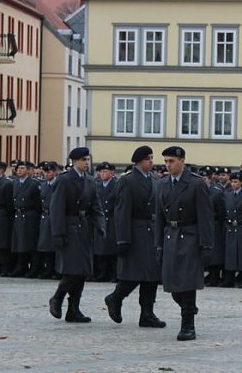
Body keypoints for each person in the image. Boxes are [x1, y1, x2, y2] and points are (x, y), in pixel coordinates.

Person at [154, 146, 214, 341]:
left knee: (187, 283)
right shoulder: (162, 184)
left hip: (189, 236)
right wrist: (158, 245)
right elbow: (159, 217)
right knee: (173, 285)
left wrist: (206, 245)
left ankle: (188, 325)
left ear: (182, 161)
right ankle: (189, 309)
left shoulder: (196, 184)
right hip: (170, 235)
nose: (168, 165)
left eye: (171, 161)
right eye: (166, 161)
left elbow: (206, 217)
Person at [104, 146, 165, 328]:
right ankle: (115, 298)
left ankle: (147, 313)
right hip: (135, 231)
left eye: (152, 158)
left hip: (151, 230)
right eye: (147, 159)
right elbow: (122, 211)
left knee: (151, 275)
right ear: (138, 161)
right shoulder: (128, 181)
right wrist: (123, 239)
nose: (151, 162)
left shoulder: (154, 179)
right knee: (133, 274)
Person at [48, 147, 105, 322]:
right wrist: (58, 233)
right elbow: (57, 208)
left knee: (83, 270)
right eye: (83, 160)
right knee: (73, 269)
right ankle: (57, 297)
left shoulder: (90, 180)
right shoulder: (64, 180)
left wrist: (100, 225)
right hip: (69, 228)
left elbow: (96, 206)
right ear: (74, 161)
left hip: (84, 228)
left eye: (88, 159)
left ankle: (73, 309)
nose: (86, 163)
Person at [10, 160, 42, 277]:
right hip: (18, 215)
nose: (19, 170)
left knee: (31, 242)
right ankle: (21, 266)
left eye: (22, 168)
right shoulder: (15, 183)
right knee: (19, 243)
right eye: (18, 168)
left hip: (30, 215)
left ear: (28, 170)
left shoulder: (34, 184)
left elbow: (38, 203)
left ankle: (34, 268)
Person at [92, 162, 118, 282]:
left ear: (112, 173)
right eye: (101, 172)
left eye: (105, 172)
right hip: (101, 218)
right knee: (100, 247)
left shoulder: (116, 185)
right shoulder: (97, 185)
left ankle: (113, 274)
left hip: (112, 219)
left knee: (111, 248)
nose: (103, 174)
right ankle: (101, 273)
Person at [35, 161, 59, 279]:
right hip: (45, 216)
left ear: (55, 172)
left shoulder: (59, 184)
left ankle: (57, 270)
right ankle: (48, 269)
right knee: (45, 245)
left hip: (55, 217)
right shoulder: (43, 185)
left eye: (49, 172)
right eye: (45, 172)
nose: (46, 174)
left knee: (55, 246)